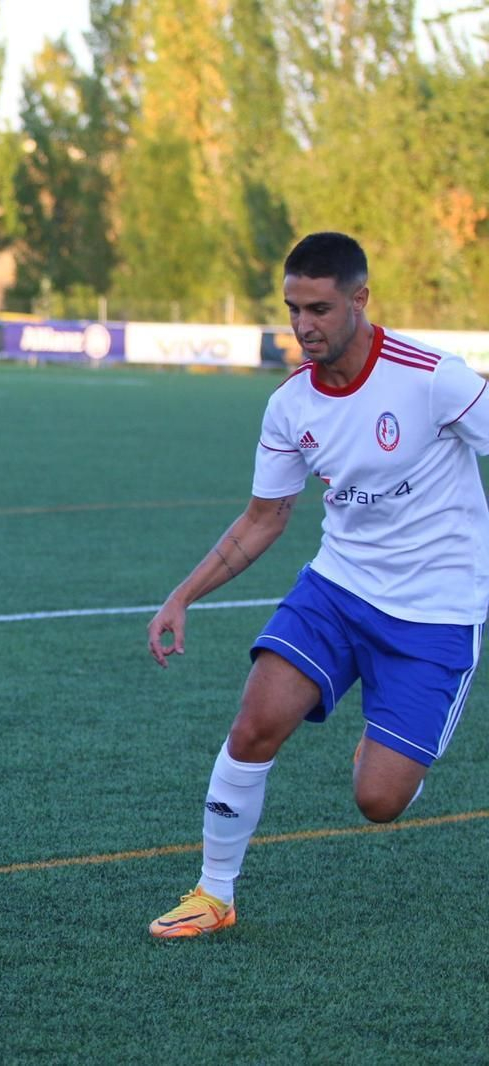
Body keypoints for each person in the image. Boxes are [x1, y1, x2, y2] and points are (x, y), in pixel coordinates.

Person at [145, 231, 489, 938]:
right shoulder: (291, 404)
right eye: (293, 308)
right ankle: (214, 894)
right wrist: (183, 595)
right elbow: (263, 519)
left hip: (435, 613)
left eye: (320, 309)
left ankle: (390, 748)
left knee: (379, 801)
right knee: (254, 724)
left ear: (360, 300)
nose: (303, 326)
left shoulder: (433, 378)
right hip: (337, 591)